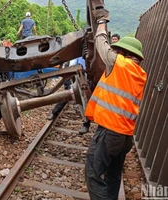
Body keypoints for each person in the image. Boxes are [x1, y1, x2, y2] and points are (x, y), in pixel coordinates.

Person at [85, 9, 147, 200]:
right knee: (112, 174)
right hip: (125, 136)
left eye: (119, 49)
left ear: (124, 53)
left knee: (93, 174)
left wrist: (102, 22)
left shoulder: (118, 64)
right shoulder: (139, 74)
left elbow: (101, 44)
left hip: (109, 132)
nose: (116, 51)